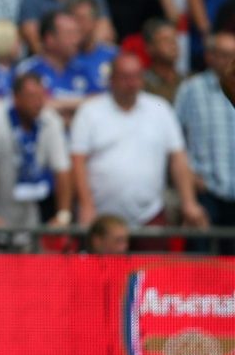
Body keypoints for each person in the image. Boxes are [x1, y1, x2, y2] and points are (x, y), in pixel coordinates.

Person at [71, 53, 208, 245]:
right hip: (103, 218)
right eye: (125, 77)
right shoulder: (90, 111)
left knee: (150, 274)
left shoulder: (160, 109)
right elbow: (77, 161)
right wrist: (86, 206)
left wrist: (188, 201)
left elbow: (178, 158)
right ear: (112, 79)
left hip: (149, 215)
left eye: (136, 76)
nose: (131, 83)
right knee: (103, 275)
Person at [0, 73, 71, 238]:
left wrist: (63, 215)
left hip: (26, 216)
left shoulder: (50, 121)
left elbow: (63, 169)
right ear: (16, 98)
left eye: (41, 96)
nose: (38, 103)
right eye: (32, 97)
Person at [175, 32, 235, 254]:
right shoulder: (191, 89)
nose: (230, 61)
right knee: (201, 266)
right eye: (225, 55)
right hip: (206, 189)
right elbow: (175, 138)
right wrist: (189, 175)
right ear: (210, 56)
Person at [141, 18, 183, 103]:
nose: (173, 44)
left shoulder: (188, 81)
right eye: (166, 40)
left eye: (174, 39)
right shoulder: (141, 83)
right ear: (150, 47)